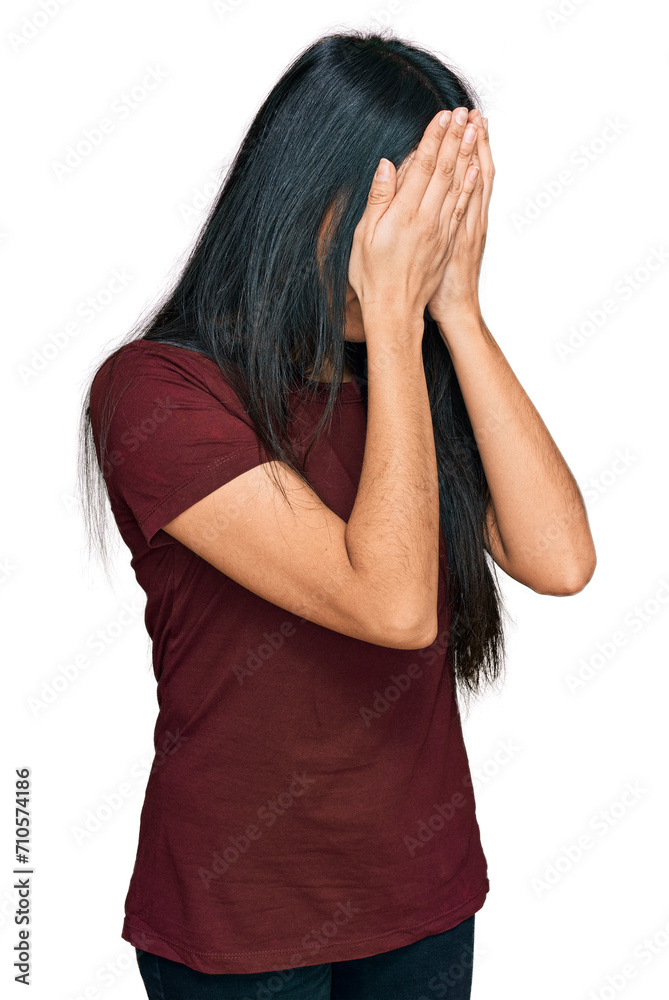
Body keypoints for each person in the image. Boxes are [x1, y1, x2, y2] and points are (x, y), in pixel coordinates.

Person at [78, 29, 596, 1000]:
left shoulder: (405, 379)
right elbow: (392, 605)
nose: (416, 242)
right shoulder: (157, 391)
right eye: (397, 213)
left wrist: (458, 312)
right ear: (310, 196)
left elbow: (561, 558)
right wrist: (398, 319)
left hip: (422, 897)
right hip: (243, 920)